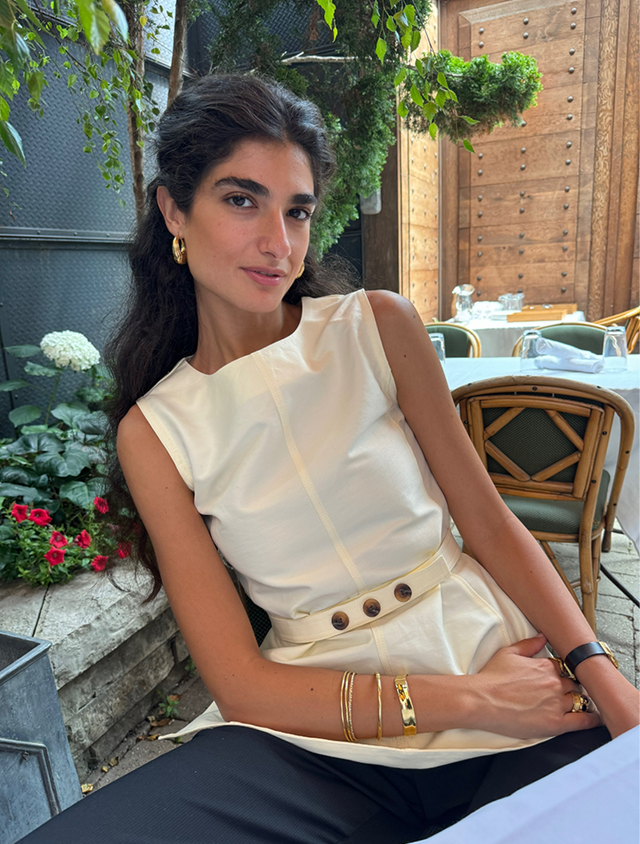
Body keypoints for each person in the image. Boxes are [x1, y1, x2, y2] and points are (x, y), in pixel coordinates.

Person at [22, 73, 640, 844]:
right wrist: (471, 700)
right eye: (241, 200)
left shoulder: (376, 327)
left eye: (298, 210)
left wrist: (599, 669)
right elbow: (240, 683)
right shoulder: (155, 430)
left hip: (501, 667)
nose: (278, 243)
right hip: (316, 734)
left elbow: (489, 523)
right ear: (174, 210)